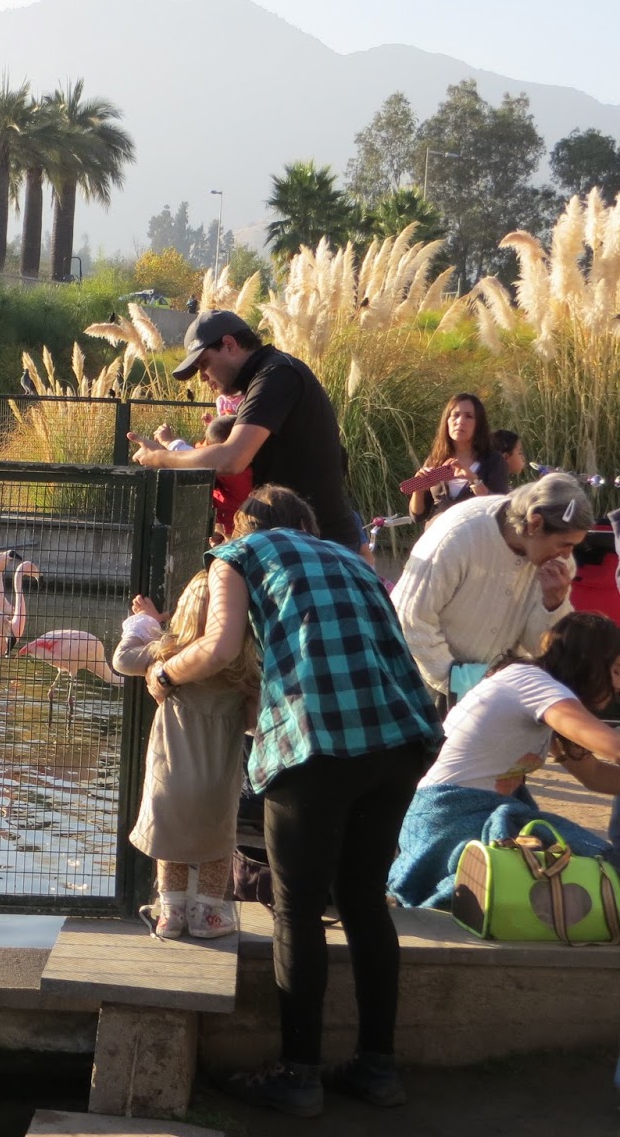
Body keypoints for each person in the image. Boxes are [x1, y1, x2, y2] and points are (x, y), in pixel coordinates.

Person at [148, 484, 439, 1117]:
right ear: (307, 522)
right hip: (400, 738)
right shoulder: (352, 560)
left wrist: (164, 672)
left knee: (297, 908)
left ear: (242, 524)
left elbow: (220, 645)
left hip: (319, 743)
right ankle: (377, 1068)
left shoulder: (240, 553)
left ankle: (297, 1075)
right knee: (363, 900)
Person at [389, 611, 620, 908]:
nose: (617, 684)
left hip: (459, 815)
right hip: (448, 815)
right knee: (600, 868)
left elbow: (595, 774)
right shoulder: (533, 683)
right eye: (615, 670)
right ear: (589, 664)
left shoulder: (539, 689)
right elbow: (612, 745)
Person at [127, 310, 361, 550]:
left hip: (314, 546)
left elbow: (232, 459)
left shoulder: (277, 374)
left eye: (204, 363)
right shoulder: (271, 373)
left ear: (229, 345)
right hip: (298, 539)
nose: (202, 378)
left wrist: (161, 457)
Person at [113, 575, 256, 940]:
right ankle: (207, 915)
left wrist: (145, 624)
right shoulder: (242, 667)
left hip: (170, 776)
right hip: (218, 781)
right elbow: (256, 722)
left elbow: (122, 659)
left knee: (170, 842)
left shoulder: (169, 652)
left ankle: (171, 914)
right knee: (218, 845)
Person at [392, 473, 590, 702]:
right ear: (535, 524)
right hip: (419, 691)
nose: (567, 555)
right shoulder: (459, 535)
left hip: (493, 691)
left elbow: (538, 648)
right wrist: (461, 682)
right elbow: (410, 619)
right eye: (564, 544)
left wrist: (554, 604)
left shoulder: (559, 564)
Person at [407, 394, 508, 524]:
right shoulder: (435, 459)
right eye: (455, 415)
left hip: (473, 539)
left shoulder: (493, 461)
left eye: (469, 416)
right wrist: (418, 489)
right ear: (447, 421)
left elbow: (501, 511)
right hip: (438, 537)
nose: (460, 421)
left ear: (478, 425)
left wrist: (473, 480)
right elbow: (417, 516)